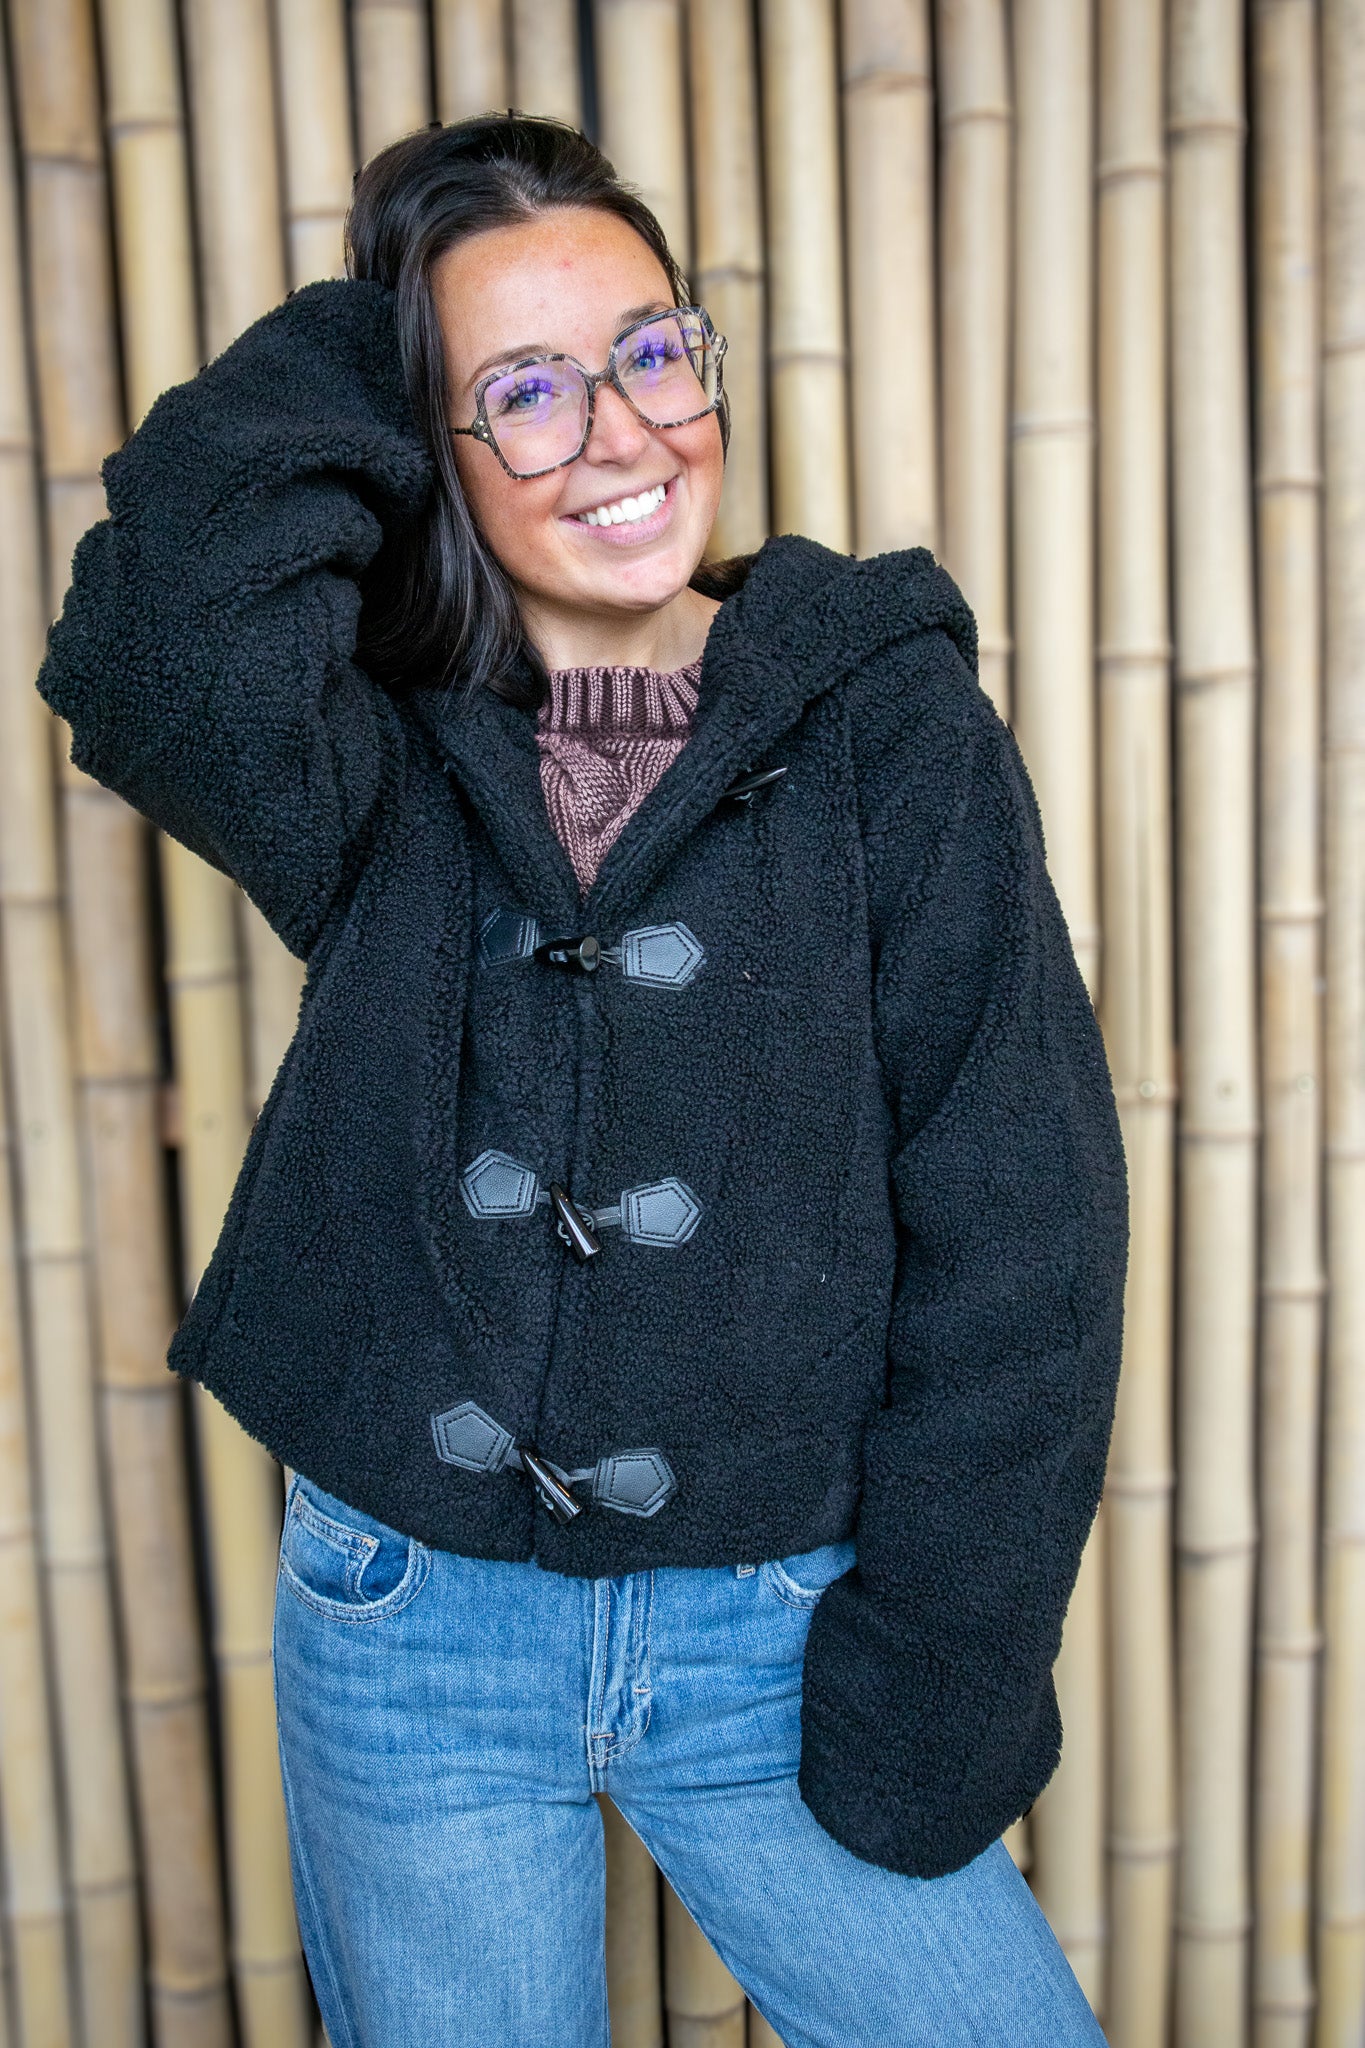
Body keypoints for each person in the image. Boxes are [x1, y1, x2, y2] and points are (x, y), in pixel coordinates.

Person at [37, 113, 1127, 2048]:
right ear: (427, 442)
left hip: (785, 1621)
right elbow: (150, 645)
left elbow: (1018, 1209)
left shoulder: (886, 719)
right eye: (522, 393)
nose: (618, 432)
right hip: (410, 1621)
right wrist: (375, 342)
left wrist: (941, 1651)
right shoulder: (363, 748)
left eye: (646, 349)